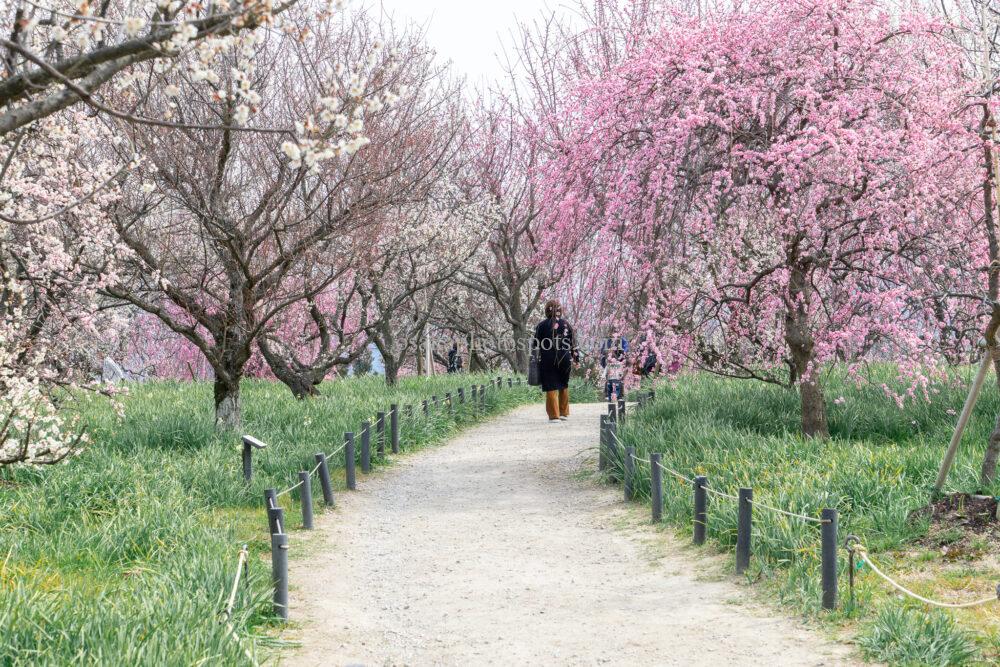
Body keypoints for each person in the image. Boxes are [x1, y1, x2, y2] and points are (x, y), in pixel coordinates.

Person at [533, 299, 579, 422]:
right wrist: (576, 359)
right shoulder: (566, 325)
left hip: (547, 360)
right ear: (560, 311)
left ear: (547, 310)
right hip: (565, 359)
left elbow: (535, 344)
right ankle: (564, 413)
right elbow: (573, 344)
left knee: (550, 385)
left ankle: (554, 416)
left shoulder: (541, 326)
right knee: (563, 384)